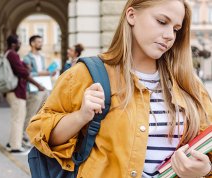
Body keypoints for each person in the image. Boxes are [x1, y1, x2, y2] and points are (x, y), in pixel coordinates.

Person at [27, 0, 212, 177]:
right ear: (132, 15)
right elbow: (41, 133)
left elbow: (207, 145)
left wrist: (204, 170)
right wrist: (80, 116)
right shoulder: (87, 74)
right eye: (162, 22)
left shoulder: (189, 85)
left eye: (176, 29)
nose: (170, 35)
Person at [4, 35, 44, 154]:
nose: (20, 45)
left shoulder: (7, 54)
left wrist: (25, 67)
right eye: (19, 43)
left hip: (12, 91)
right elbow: (23, 73)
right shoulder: (13, 54)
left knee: (17, 118)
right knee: (18, 119)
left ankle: (11, 143)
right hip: (17, 91)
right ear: (13, 44)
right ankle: (16, 147)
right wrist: (38, 85)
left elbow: (22, 69)